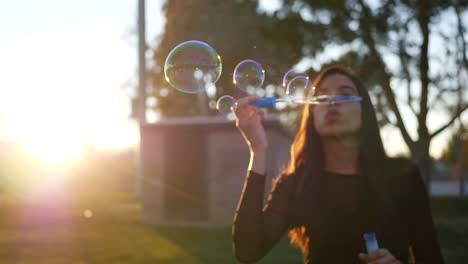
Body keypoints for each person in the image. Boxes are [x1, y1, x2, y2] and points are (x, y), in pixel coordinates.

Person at [231, 65, 444, 264]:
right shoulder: (296, 182)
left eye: (345, 93)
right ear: (311, 114)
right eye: (322, 96)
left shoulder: (402, 175)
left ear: (365, 110)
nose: (332, 100)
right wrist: (257, 148)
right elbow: (247, 250)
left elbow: (431, 255)